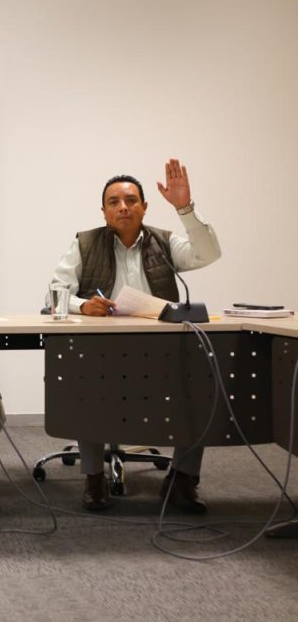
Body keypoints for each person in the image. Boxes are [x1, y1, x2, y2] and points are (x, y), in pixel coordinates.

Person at [48, 159, 221, 512]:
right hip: (100, 351)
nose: (123, 207)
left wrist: (185, 209)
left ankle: (183, 479)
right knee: (87, 388)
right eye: (114, 202)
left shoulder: (165, 242)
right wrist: (83, 306)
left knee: (200, 386)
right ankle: (94, 478)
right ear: (103, 211)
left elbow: (208, 253)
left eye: (130, 200)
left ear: (144, 207)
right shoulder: (84, 243)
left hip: (162, 350)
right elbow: (54, 293)